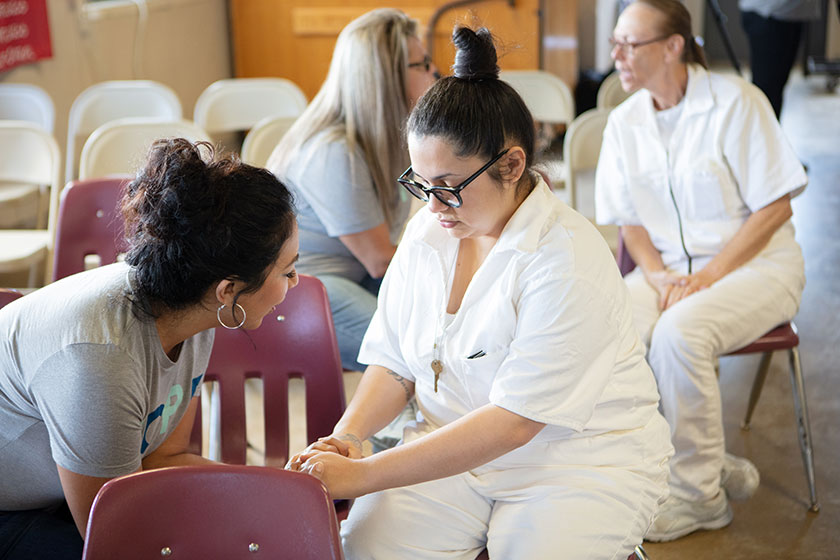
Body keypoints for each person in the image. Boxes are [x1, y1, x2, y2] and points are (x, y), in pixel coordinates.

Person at [288, 25, 674, 559]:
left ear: (512, 166)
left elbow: (515, 423)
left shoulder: (566, 257)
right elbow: (396, 361)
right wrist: (349, 436)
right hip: (448, 450)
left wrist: (363, 475)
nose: (432, 207)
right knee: (368, 550)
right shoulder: (430, 232)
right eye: (420, 185)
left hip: (575, 462)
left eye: (447, 187)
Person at [0, 139, 299, 559]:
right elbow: (112, 540)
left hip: (55, 499)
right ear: (228, 290)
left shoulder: (196, 304)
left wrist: (284, 491)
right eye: (287, 271)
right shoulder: (102, 356)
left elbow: (163, 457)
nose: (295, 283)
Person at [595, 0, 807, 542]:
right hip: (672, 273)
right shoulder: (624, 122)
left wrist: (706, 278)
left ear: (673, 46)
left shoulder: (738, 103)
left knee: (679, 334)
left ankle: (701, 496)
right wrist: (660, 275)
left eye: (629, 43)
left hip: (756, 268)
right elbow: (630, 222)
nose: (615, 54)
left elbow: (776, 207)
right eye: (615, 42)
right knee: (605, 328)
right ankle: (682, 464)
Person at [267, 8, 438, 373]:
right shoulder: (334, 152)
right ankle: (396, 429)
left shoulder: (380, 140)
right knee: (411, 353)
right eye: (422, 64)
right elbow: (380, 260)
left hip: (351, 277)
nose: (434, 73)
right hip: (294, 291)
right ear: (386, 78)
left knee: (440, 324)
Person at [740, 0, 823, 119]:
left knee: (774, 92)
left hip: (787, 13)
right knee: (766, 96)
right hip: (769, 13)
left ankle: (770, 135)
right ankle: (763, 136)